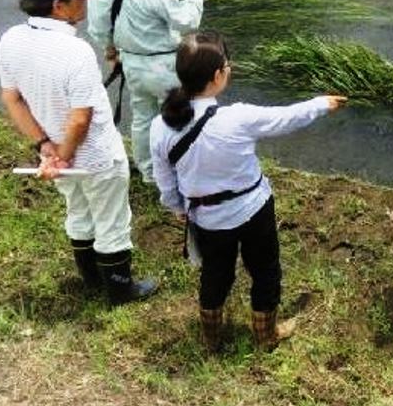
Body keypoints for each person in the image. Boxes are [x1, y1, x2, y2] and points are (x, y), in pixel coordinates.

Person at [148, 31, 346, 353]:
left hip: (206, 218)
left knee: (215, 276)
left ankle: (211, 338)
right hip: (253, 210)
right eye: (227, 65)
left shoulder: (161, 125)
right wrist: (322, 104)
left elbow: (165, 179)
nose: (229, 69)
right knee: (265, 271)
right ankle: (266, 335)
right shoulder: (237, 117)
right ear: (217, 75)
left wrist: (179, 207)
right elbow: (288, 118)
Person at [0, 0, 158, 306]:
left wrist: (46, 148)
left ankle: (91, 280)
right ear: (58, 6)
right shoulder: (76, 51)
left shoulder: (11, 39)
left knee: (79, 212)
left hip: (54, 152)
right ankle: (120, 289)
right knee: (112, 220)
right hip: (94, 155)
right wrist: (65, 155)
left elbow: (12, 98)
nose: (86, 2)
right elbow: (81, 119)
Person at [86, 0, 205, 185]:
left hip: (133, 66)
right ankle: (181, 172)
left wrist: (111, 51)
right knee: (178, 119)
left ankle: (149, 172)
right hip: (165, 68)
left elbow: (98, 28)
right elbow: (187, 22)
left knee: (142, 119)